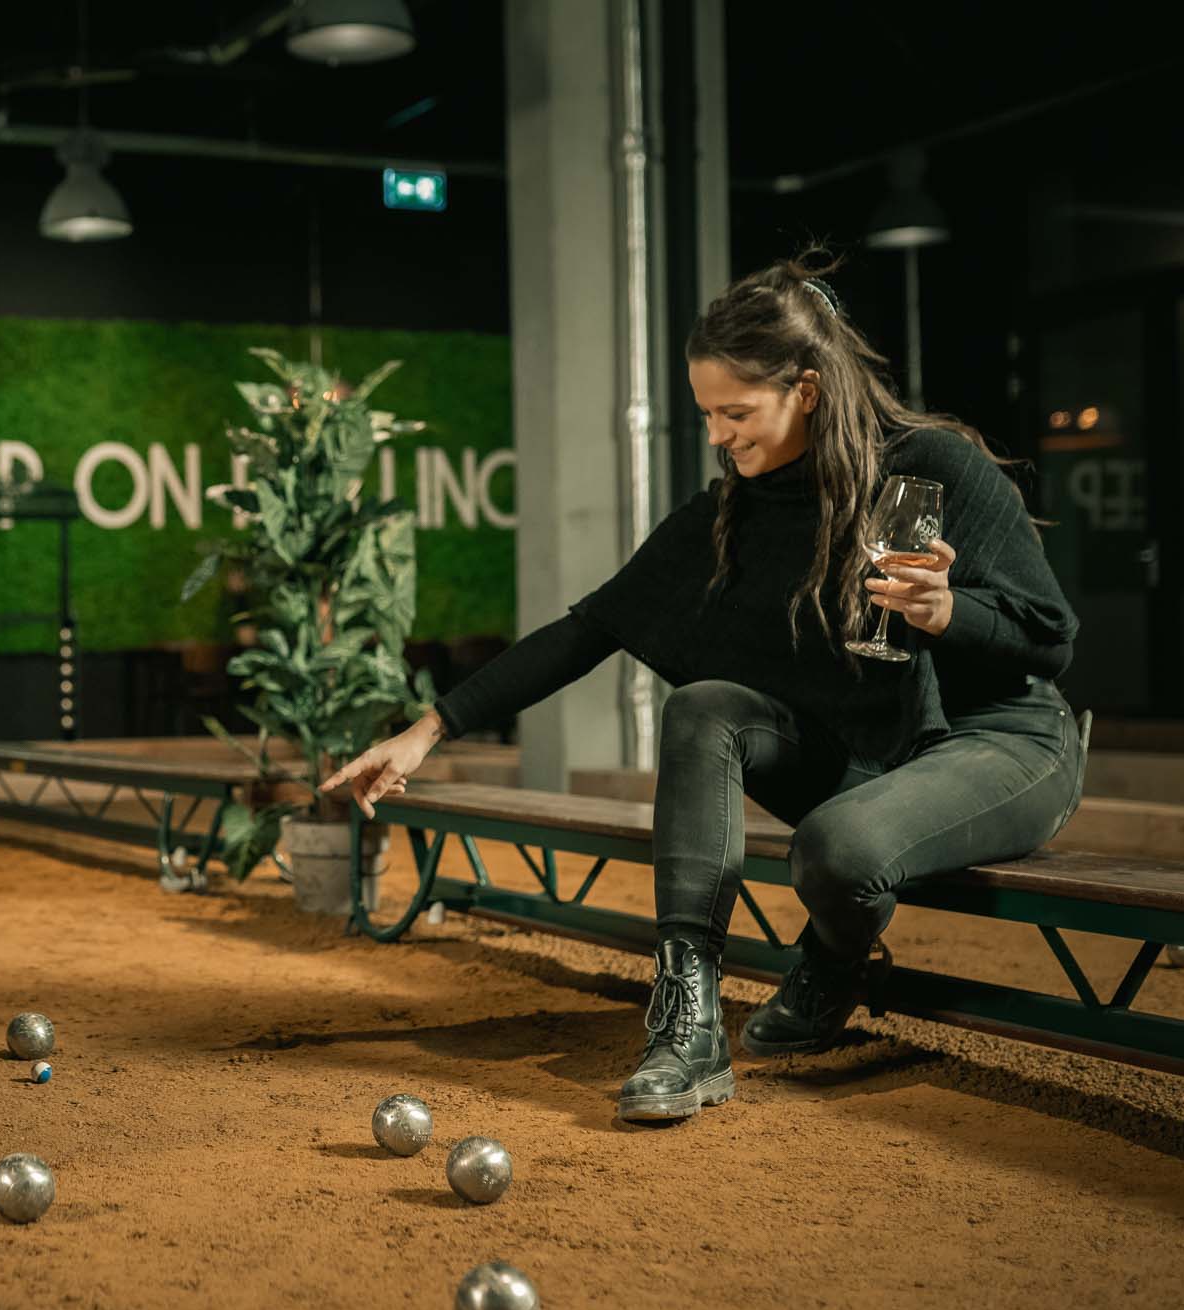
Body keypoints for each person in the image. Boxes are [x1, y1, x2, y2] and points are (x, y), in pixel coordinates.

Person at [323, 257, 1082, 1124]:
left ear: (806, 389)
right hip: (878, 746)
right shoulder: (733, 514)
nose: (718, 435)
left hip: (1005, 741)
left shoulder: (930, 467)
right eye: (707, 415)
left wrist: (951, 612)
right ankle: (688, 1019)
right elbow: (587, 629)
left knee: (837, 849)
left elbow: (1049, 641)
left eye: (735, 413)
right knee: (704, 706)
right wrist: (426, 730)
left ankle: (833, 962)